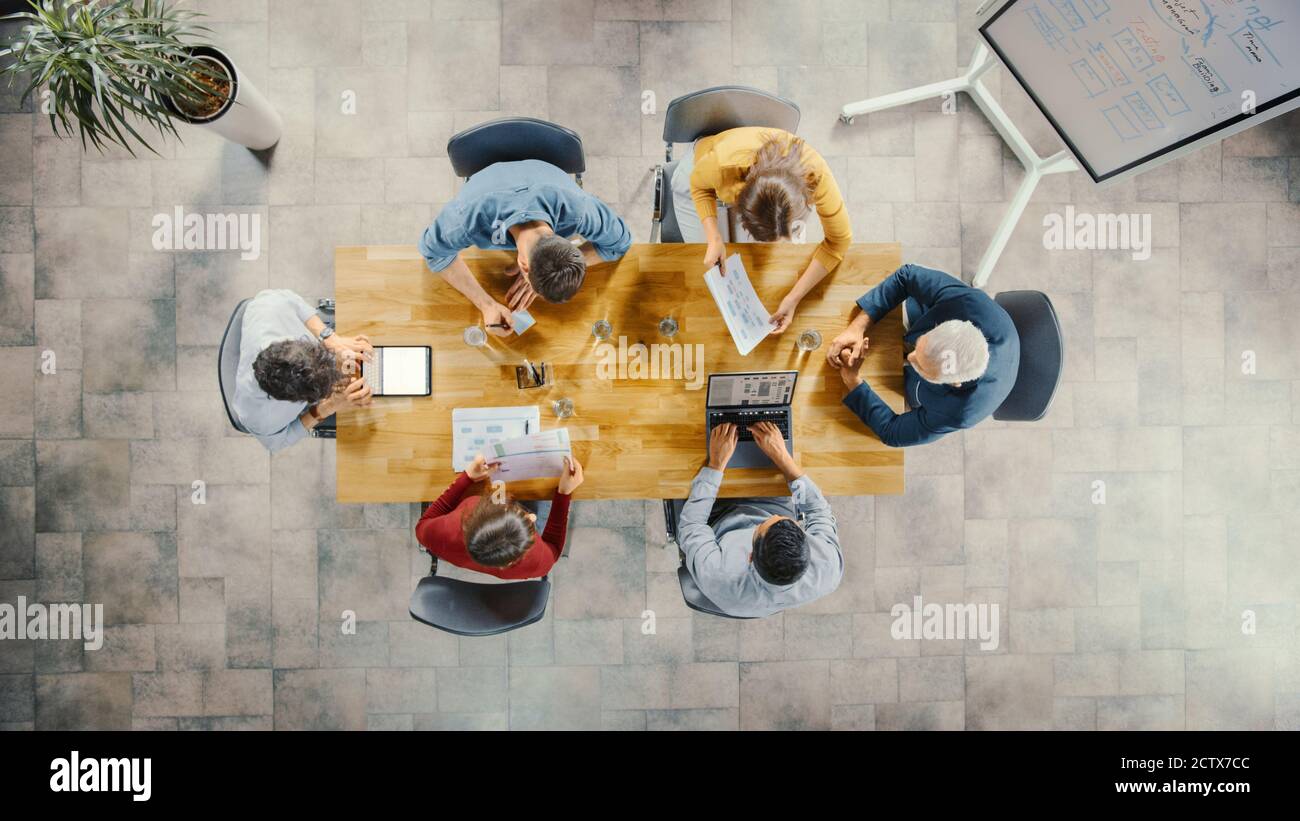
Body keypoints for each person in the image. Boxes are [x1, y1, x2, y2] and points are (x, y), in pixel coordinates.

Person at [419, 159, 633, 336]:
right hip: (486, 175)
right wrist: (487, 305)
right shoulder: (468, 218)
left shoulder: (579, 208)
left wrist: (548, 268)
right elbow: (434, 253)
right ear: (523, 264)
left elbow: (620, 244)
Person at [670, 126, 851, 334]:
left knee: (748, 264)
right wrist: (714, 238)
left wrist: (793, 298)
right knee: (704, 266)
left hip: (739, 183)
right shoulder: (722, 164)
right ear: (740, 203)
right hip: (697, 175)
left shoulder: (817, 176)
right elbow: (699, 185)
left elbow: (839, 242)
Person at [826, 263, 1020, 447]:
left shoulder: (960, 412)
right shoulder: (970, 304)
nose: (908, 357)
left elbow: (892, 433)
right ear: (946, 324)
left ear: (953, 383)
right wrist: (857, 327)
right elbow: (907, 275)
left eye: (920, 366)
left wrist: (852, 379)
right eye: (918, 347)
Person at [677, 422, 843, 618]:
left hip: (716, 518)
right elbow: (817, 509)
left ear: (750, 556)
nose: (774, 517)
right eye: (786, 522)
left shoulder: (717, 575)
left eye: (762, 526)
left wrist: (716, 465)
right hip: (773, 501)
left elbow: (692, 524)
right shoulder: (827, 566)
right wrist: (781, 456)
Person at [233, 289, 374, 452]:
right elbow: (280, 441)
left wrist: (330, 339)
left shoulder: (266, 306)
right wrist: (329, 406)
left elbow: (292, 299)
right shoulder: (258, 418)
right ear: (297, 400)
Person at [415, 453, 585, 580]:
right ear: (513, 561)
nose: (532, 518)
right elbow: (553, 549)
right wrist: (563, 493)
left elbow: (423, 524)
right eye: (523, 516)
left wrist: (466, 477)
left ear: (483, 509)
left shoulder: (442, 533)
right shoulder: (535, 562)